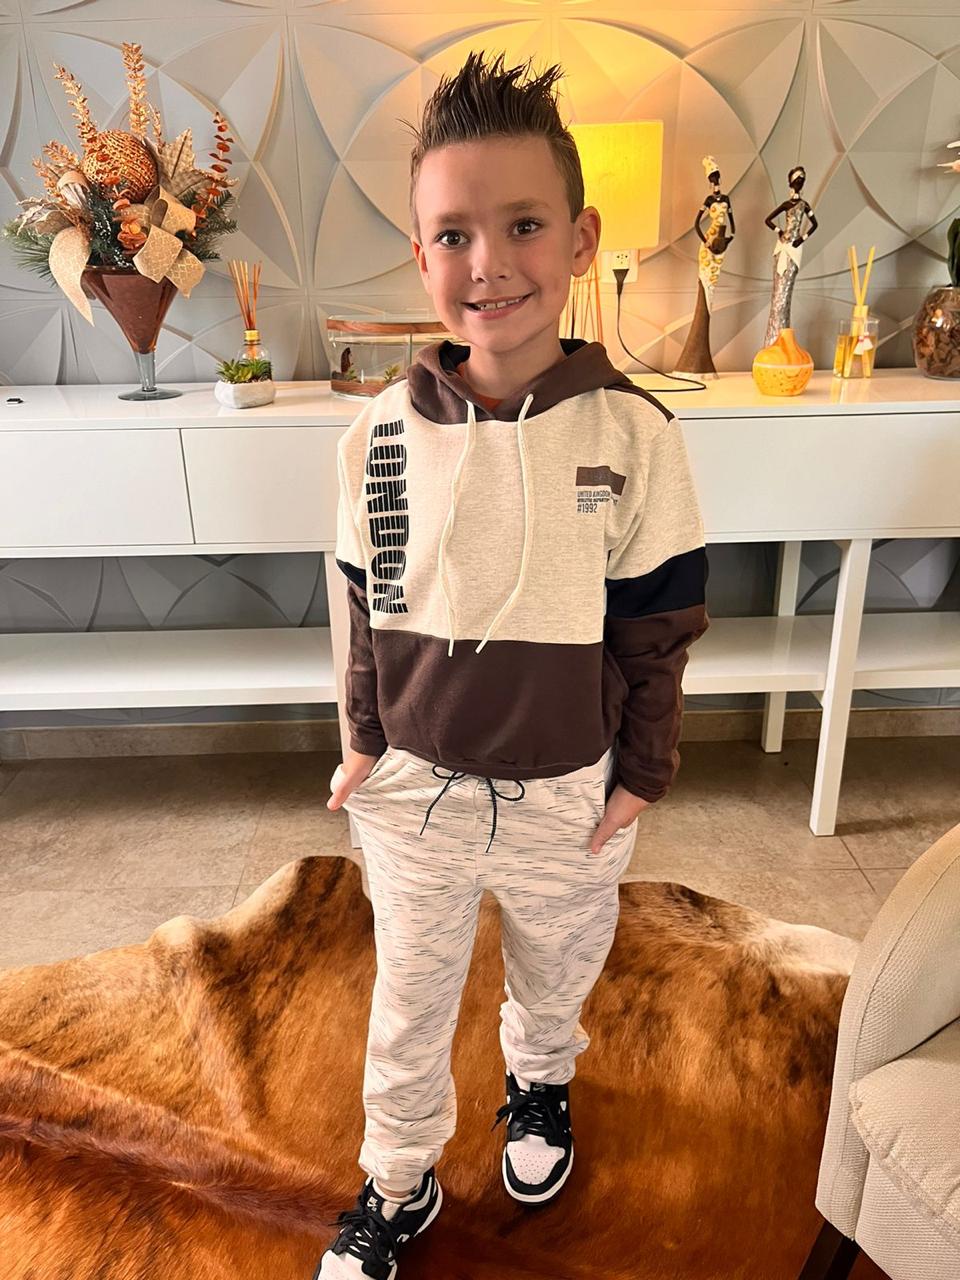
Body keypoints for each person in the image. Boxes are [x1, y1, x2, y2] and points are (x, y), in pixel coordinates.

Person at [314, 48, 710, 1280]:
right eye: (453, 235)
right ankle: (398, 1178)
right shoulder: (377, 434)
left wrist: (641, 771)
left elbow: (659, 621)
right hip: (414, 792)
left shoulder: (636, 433)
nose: (488, 262)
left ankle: (540, 1082)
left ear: (581, 239)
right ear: (420, 254)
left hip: (566, 789)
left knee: (557, 965)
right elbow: (360, 600)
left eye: (523, 224)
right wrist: (362, 741)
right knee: (408, 998)